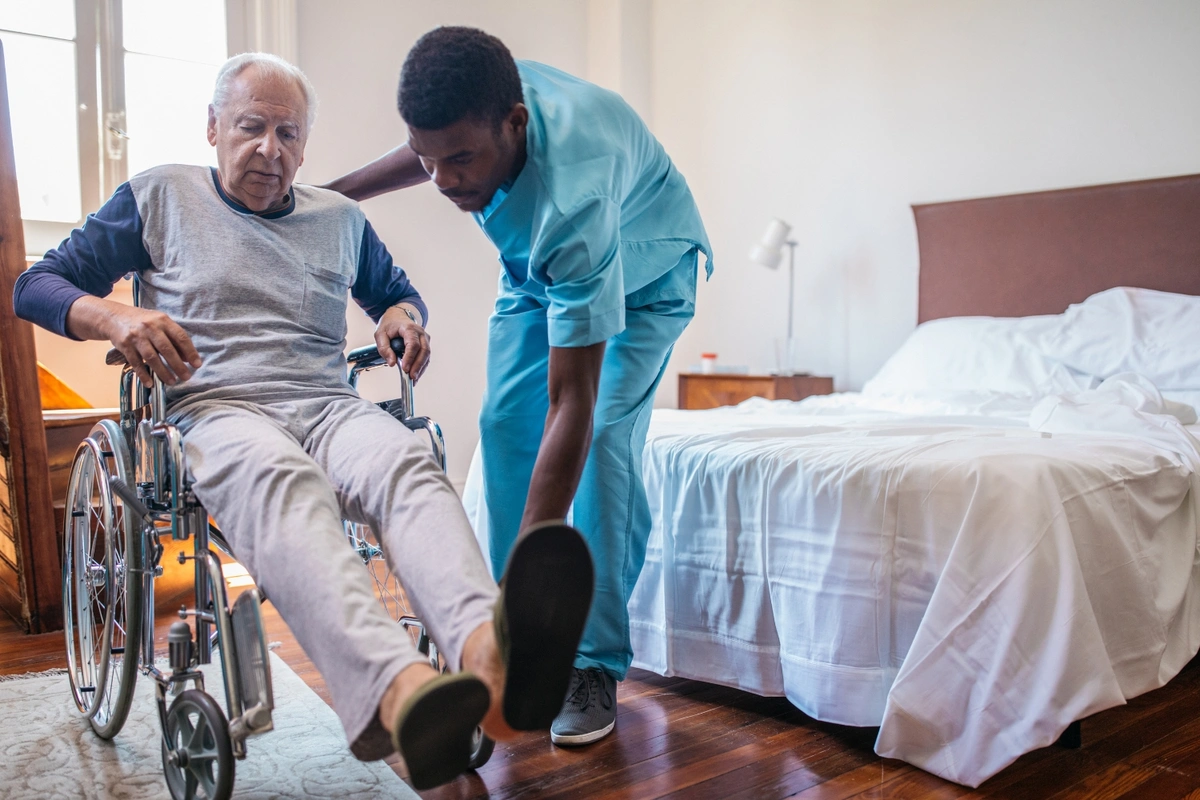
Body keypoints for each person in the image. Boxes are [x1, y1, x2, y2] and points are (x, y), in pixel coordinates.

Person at [13, 52, 593, 790]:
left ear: (306, 146)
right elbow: (35, 285)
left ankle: (489, 657)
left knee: (406, 463)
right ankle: (400, 693)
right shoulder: (158, 195)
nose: (270, 148)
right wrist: (112, 314)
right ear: (214, 127)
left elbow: (397, 293)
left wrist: (402, 319)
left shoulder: (339, 218)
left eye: (288, 133)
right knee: (285, 482)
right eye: (251, 127)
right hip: (216, 404)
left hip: (326, 402)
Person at [325, 26, 712, 746]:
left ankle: (587, 660)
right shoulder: (482, 90)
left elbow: (573, 401)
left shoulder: (573, 196)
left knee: (600, 440)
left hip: (645, 275)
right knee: (505, 429)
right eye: (428, 159)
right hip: (543, 274)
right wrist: (336, 195)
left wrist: (538, 577)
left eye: (460, 160)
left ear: (516, 125)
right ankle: (496, 647)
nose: (443, 180)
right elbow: (433, 148)